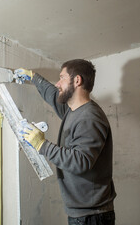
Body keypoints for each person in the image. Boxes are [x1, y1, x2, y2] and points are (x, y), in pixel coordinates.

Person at [15, 59, 116, 225]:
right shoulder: (73, 111)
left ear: (77, 80)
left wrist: (42, 145)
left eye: (62, 78)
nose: (58, 83)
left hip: (92, 217)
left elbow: (81, 161)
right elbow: (54, 96)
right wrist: (34, 77)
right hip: (85, 213)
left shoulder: (89, 117)